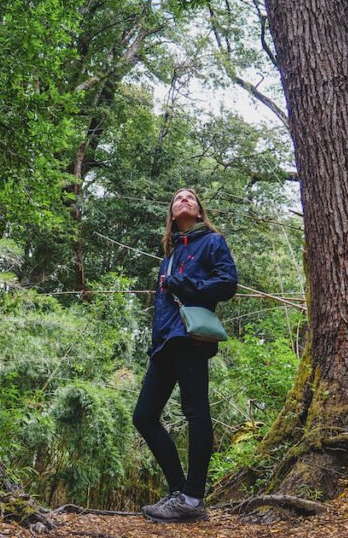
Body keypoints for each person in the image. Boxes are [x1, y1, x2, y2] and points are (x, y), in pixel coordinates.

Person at [132, 188, 238, 523]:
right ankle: (181, 491)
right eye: (178, 199)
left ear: (199, 209)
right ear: (172, 213)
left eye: (190, 198)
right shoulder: (170, 253)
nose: (184, 200)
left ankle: (192, 498)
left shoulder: (212, 242)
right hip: (164, 342)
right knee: (144, 417)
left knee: (196, 412)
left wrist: (185, 284)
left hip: (190, 338)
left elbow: (227, 283)